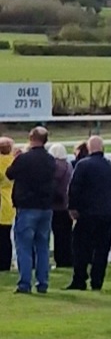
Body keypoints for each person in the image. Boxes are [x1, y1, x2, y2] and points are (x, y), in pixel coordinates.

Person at [65, 134, 111, 291]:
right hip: (108, 213)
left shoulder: (83, 165)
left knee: (80, 247)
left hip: (88, 213)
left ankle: (79, 279)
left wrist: (72, 208)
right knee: (102, 248)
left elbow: (74, 188)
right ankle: (97, 281)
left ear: (89, 149)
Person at [6, 126, 55, 294]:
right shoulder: (50, 160)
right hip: (46, 207)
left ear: (30, 138)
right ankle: (43, 283)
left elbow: (10, 174)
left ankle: (25, 283)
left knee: (24, 247)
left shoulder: (24, 159)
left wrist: (17, 158)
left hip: (27, 206)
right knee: (42, 247)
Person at [47, 141, 74, 269]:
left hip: (55, 205)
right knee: (67, 234)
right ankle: (68, 258)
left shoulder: (52, 167)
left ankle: (60, 260)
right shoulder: (69, 166)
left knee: (58, 235)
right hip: (66, 204)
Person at [0, 135, 15, 273]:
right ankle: (6, 262)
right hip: (13, 200)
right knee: (7, 237)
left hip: (2, 201)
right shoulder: (14, 161)